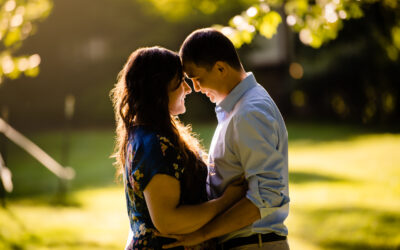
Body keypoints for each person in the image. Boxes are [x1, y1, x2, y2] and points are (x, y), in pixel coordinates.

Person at [160, 28, 290, 250]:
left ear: (220, 68)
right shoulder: (236, 110)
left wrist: (202, 234)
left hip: (253, 243)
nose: (196, 89)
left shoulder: (250, 112)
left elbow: (266, 196)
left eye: (197, 79)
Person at [110, 46, 246, 250]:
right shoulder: (154, 144)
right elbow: (167, 221)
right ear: (159, 88)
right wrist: (225, 201)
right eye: (180, 81)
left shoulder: (151, 135)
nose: (189, 88)